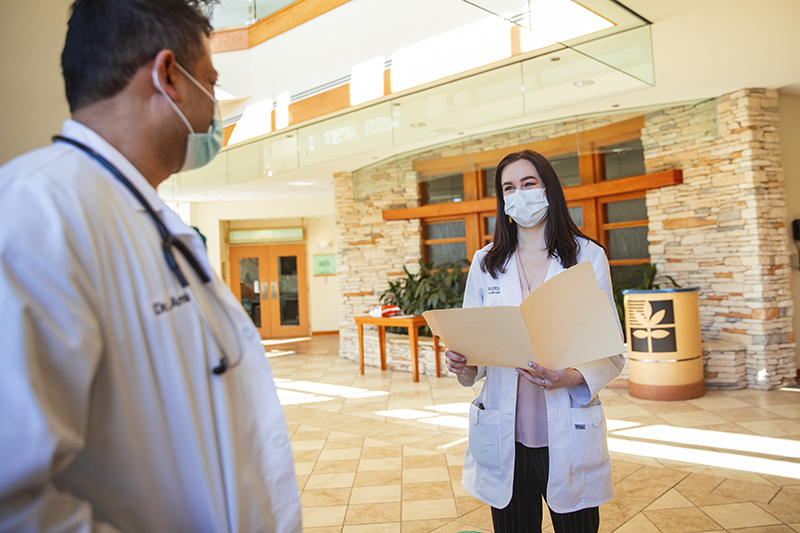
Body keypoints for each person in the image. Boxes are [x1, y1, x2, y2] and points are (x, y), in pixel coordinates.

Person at [0, 1, 301, 531]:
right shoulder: (33, 213)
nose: (215, 107)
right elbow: (15, 502)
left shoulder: (144, 212)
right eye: (210, 81)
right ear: (168, 76)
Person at [445, 150, 624, 533]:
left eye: (529, 184)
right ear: (503, 200)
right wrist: (464, 362)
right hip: (505, 433)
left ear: (549, 190)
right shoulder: (485, 262)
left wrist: (571, 376)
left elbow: (609, 348)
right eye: (509, 187)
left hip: (568, 429)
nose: (519, 194)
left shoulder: (586, 257)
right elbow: (473, 349)